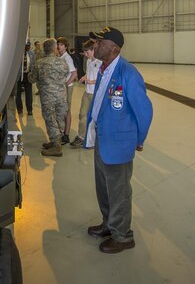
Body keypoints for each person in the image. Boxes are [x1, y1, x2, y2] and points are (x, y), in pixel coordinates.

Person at [84, 26, 153, 254]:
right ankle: (109, 225)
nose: (95, 45)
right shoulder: (103, 70)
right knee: (104, 188)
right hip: (103, 140)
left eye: (99, 42)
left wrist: (138, 139)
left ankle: (122, 236)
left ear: (113, 48)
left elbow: (144, 111)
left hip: (119, 144)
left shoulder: (128, 73)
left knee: (119, 192)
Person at [29, 38, 69, 157]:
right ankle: (56, 142)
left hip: (48, 98)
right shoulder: (63, 63)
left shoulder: (39, 63)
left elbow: (32, 79)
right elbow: (66, 74)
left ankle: (57, 147)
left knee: (51, 120)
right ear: (54, 48)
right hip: (61, 97)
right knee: (60, 118)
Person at [70, 39, 100, 148]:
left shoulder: (101, 62)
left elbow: (105, 79)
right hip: (87, 93)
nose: (86, 55)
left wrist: (93, 81)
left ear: (94, 50)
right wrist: (85, 77)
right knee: (82, 115)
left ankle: (96, 139)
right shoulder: (88, 61)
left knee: (95, 118)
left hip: (96, 95)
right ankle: (81, 137)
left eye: (88, 52)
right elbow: (89, 73)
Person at [56, 37, 77, 145]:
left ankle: (66, 135)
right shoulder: (60, 57)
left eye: (61, 44)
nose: (59, 46)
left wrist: (66, 84)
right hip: (62, 87)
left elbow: (74, 74)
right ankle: (62, 132)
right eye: (58, 44)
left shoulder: (67, 58)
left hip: (67, 87)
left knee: (67, 111)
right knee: (62, 110)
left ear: (65, 46)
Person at [15, 41, 35, 115]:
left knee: (29, 93)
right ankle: (19, 109)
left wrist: (33, 75)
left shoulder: (32, 54)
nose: (28, 47)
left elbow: (34, 64)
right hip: (19, 76)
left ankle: (29, 109)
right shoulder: (18, 53)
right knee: (18, 94)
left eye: (29, 46)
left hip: (28, 75)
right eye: (26, 46)